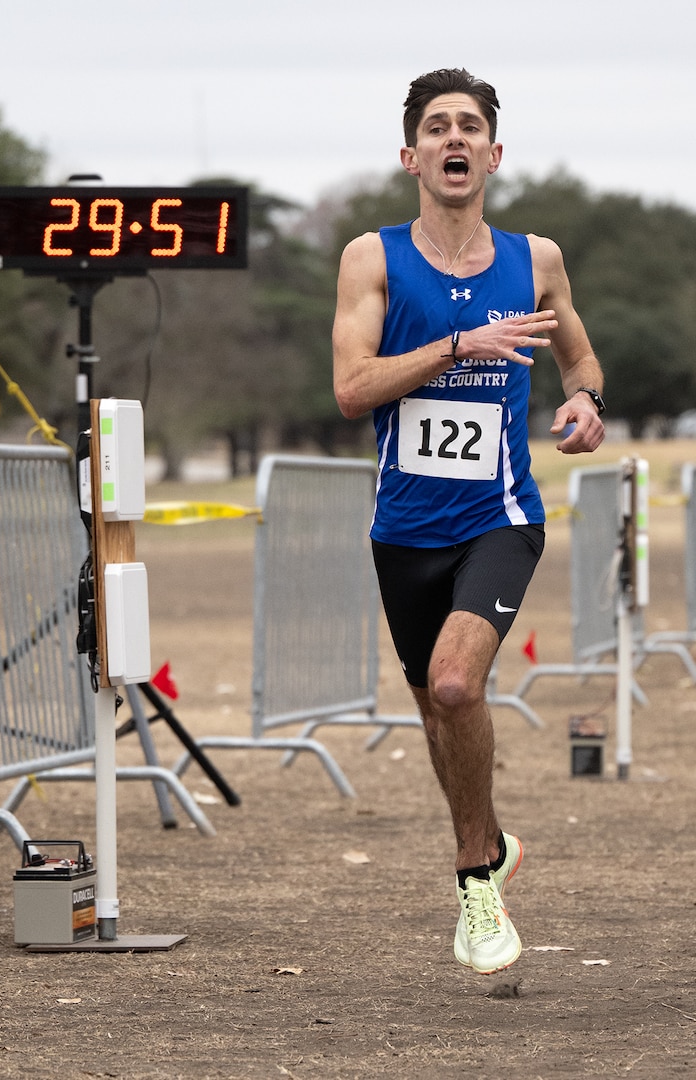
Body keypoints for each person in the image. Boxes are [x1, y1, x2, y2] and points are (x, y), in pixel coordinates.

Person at [332, 67, 605, 975]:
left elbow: (577, 358)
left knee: (455, 686)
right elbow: (349, 389)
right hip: (403, 530)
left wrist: (585, 403)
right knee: (439, 714)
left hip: (501, 515)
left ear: (493, 153)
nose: (456, 139)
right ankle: (489, 840)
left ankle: (472, 875)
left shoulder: (538, 260)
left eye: (471, 126)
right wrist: (458, 345)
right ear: (411, 155)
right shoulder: (372, 259)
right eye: (438, 127)